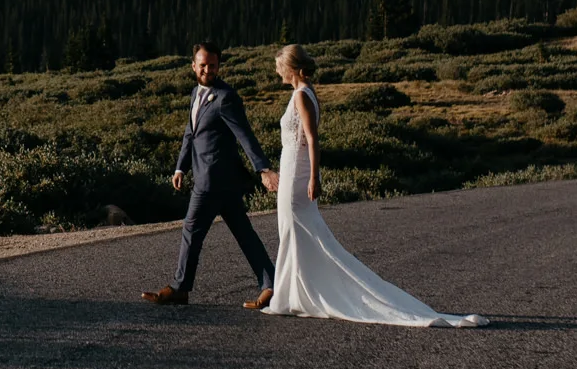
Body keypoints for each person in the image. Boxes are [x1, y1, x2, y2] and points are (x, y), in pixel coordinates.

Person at [265, 45, 485, 326]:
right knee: (295, 232)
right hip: (294, 168)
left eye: (279, 65)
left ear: (292, 68)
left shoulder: (300, 96)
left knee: (294, 230)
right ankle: (293, 293)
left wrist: (313, 177)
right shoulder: (305, 93)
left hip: (297, 172)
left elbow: (312, 138)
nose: (276, 70)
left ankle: (292, 295)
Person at [142, 42, 279, 309]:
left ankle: (180, 289)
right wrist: (181, 167)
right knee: (244, 233)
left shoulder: (226, 97)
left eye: (212, 65)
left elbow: (245, 135)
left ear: (219, 66)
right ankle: (270, 284)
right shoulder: (196, 93)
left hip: (211, 181)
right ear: (193, 66)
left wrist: (263, 169)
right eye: (202, 65)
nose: (207, 70)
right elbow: (190, 132)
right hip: (221, 181)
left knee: (191, 230)